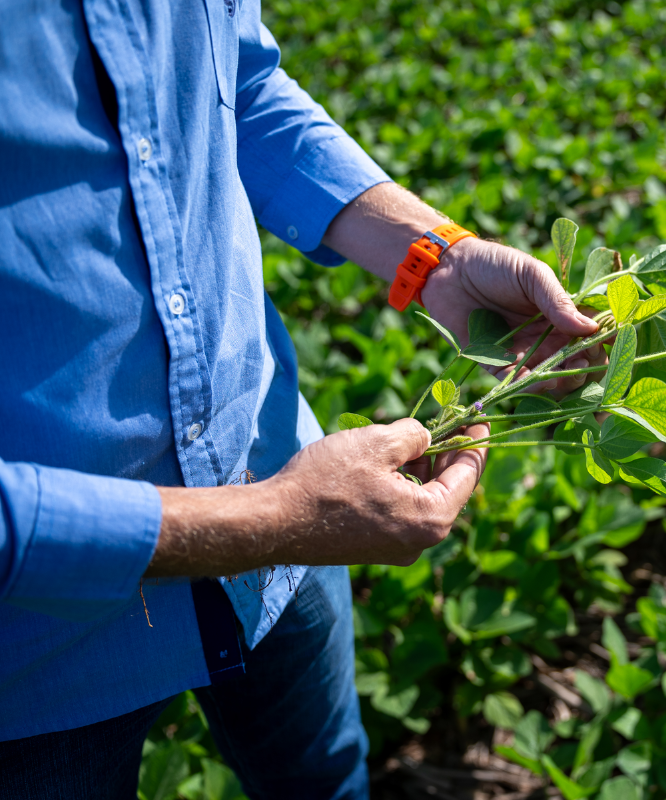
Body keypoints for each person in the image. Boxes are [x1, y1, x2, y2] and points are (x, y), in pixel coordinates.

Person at [0, 2, 603, 797]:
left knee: (324, 780)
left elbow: (234, 85)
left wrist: (435, 259)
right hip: (33, 657)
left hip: (273, 466)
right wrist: (281, 519)